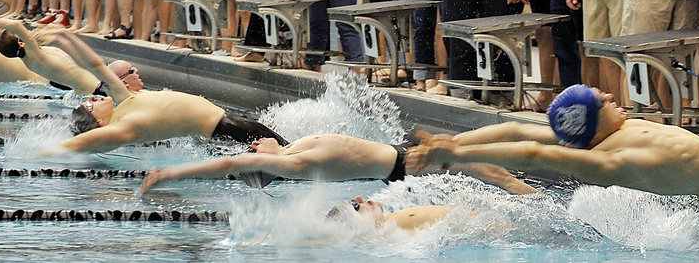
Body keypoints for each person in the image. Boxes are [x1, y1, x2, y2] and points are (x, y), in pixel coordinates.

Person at [406, 84, 699, 229]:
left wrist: (451, 144)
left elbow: (517, 130)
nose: (612, 96)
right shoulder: (607, 163)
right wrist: (456, 155)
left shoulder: (596, 136)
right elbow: (532, 154)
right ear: (592, 119)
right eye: (603, 100)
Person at [39, 30, 287, 154]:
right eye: (91, 104)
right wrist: (41, 153)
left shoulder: (125, 101)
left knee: (284, 157)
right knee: (288, 154)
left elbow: (97, 65)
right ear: (98, 121)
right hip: (226, 131)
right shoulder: (120, 128)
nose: (95, 97)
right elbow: (77, 144)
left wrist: (65, 38)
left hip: (221, 131)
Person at [140, 132, 538, 194]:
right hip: (404, 167)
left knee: (482, 148)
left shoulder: (292, 147)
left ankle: (525, 181)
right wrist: (171, 172)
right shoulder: (295, 163)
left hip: (401, 151)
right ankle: (530, 193)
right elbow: (227, 164)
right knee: (488, 166)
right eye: (252, 148)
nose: (255, 141)